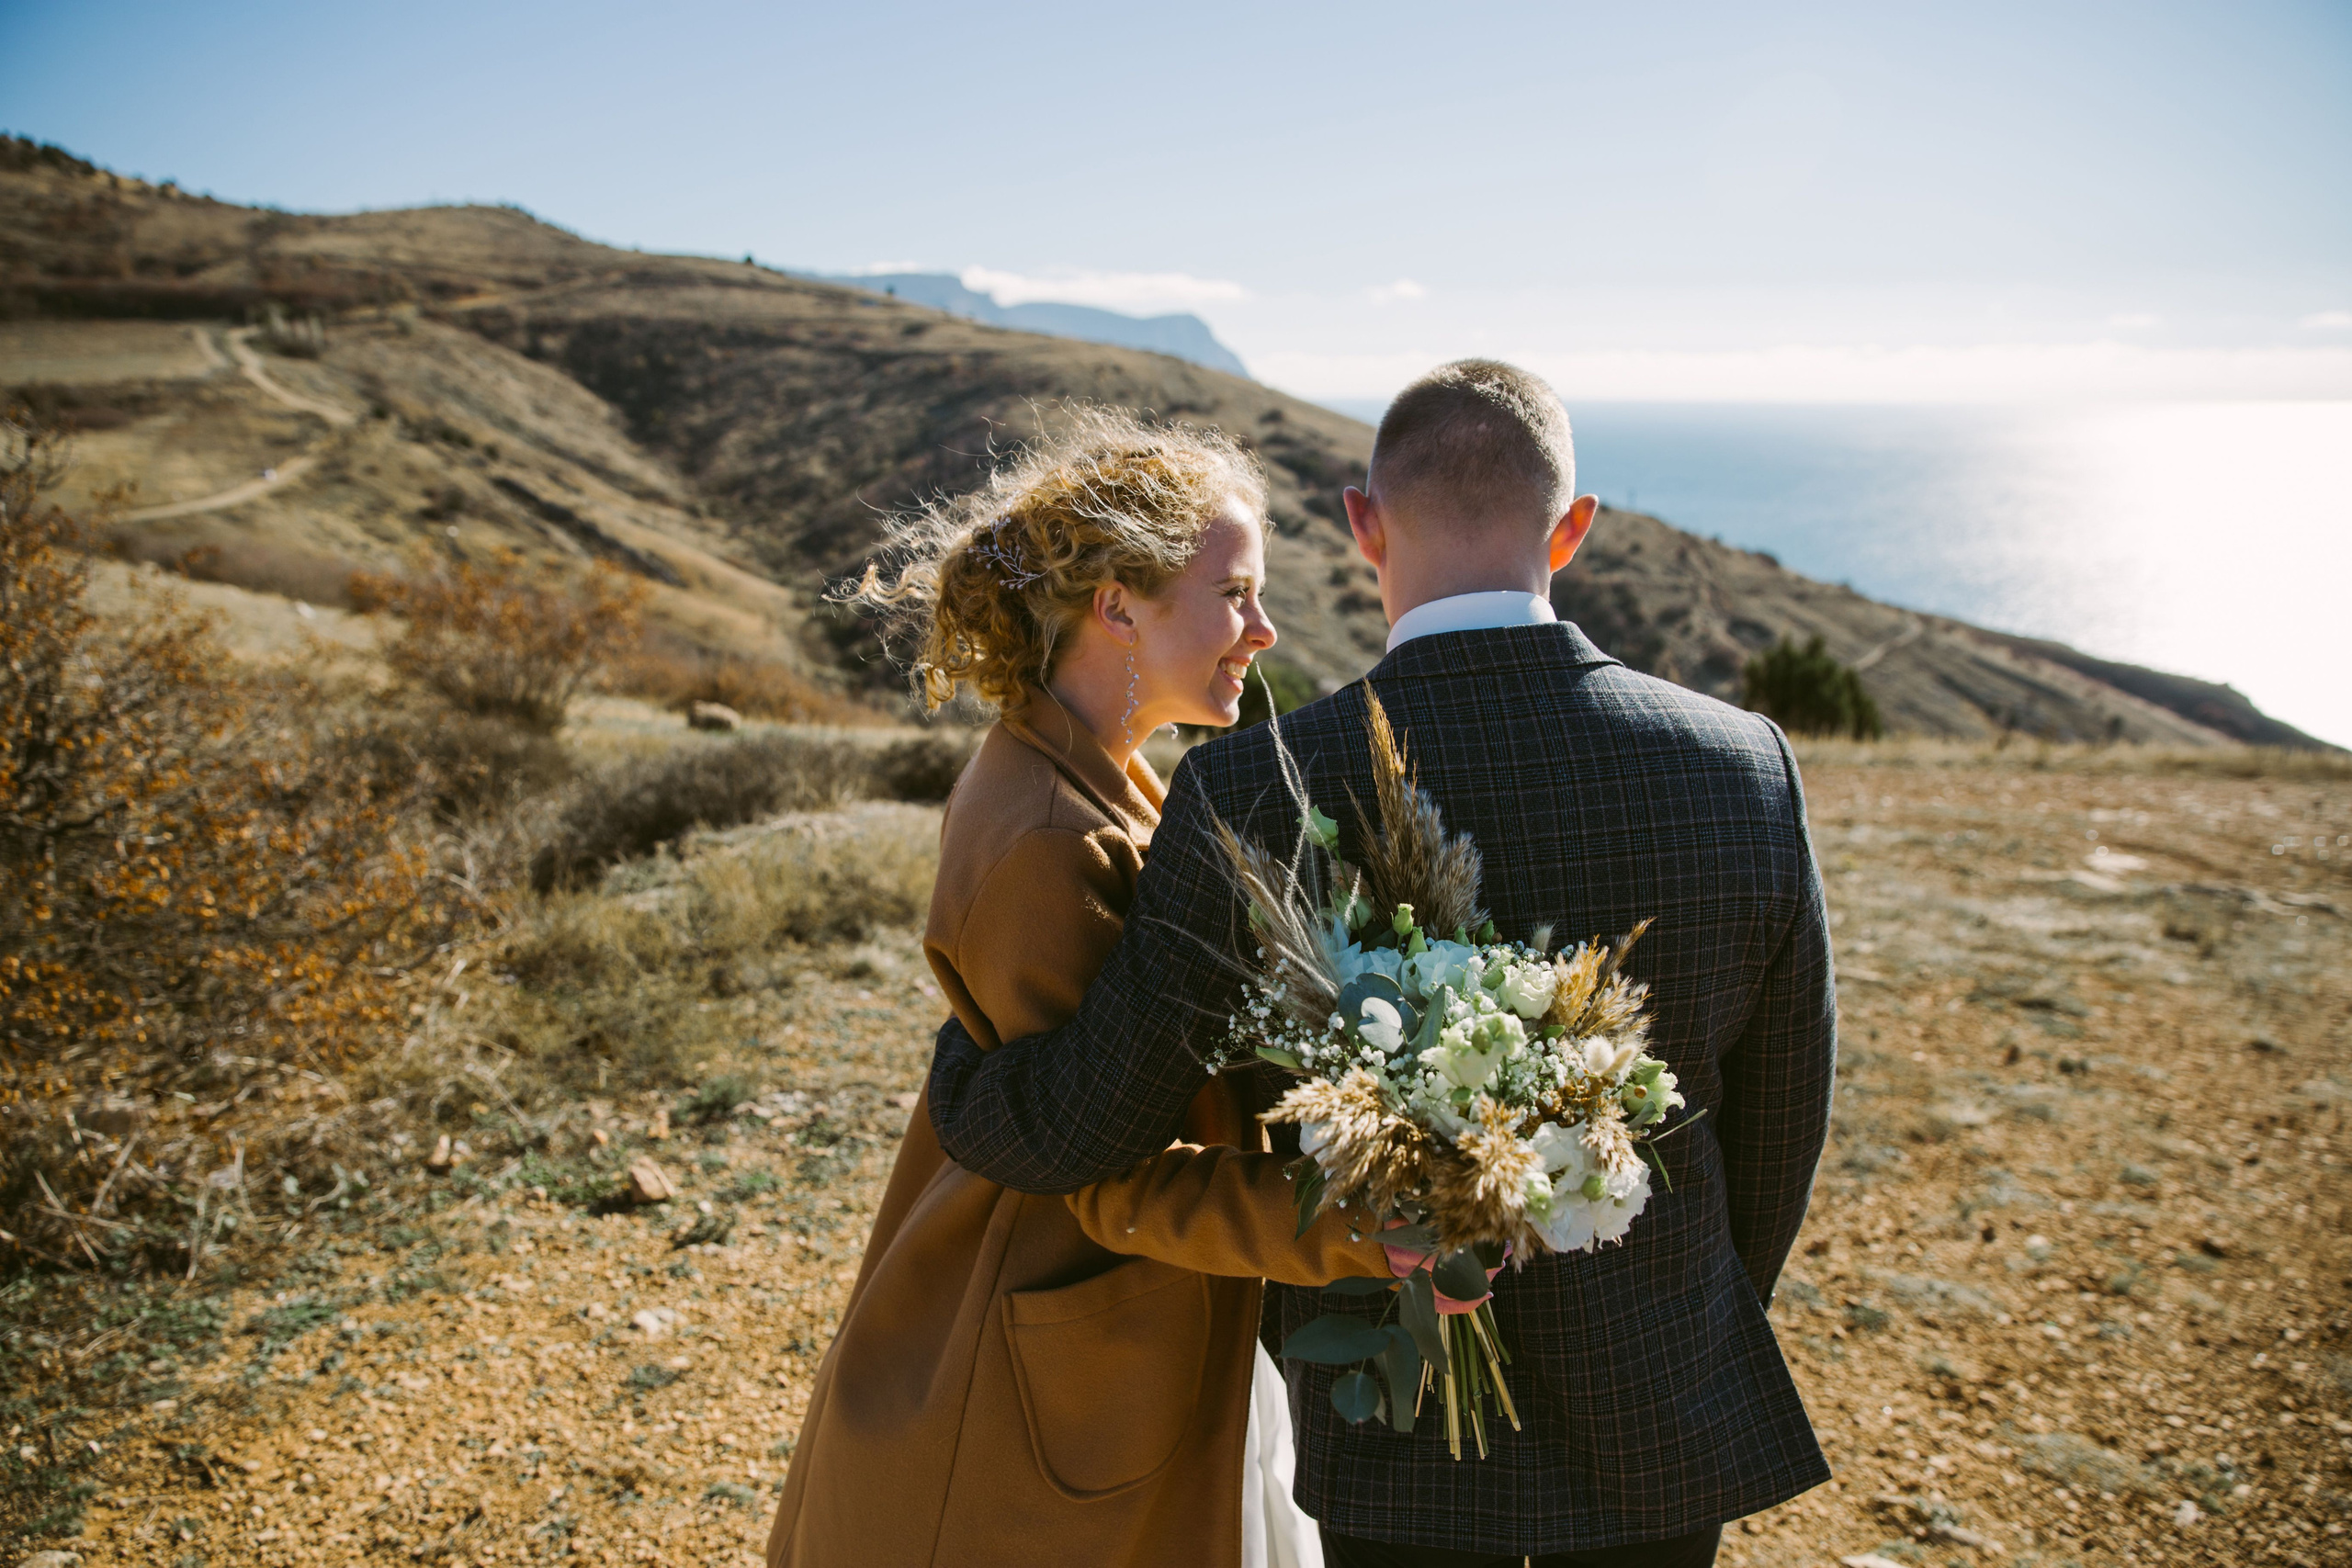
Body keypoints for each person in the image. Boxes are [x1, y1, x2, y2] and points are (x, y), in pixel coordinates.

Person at [926, 362, 1838, 1568]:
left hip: (1392, 1414)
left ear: (1363, 525)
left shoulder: (1252, 789)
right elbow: (1781, 1120)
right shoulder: (1744, 766)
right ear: (1571, 527)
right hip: (1659, 1393)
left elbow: (1092, 1120)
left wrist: (959, 1071)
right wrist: (1691, 1311)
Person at [765, 410, 1390, 1568]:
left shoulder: (1098, 771)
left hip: (1123, 1310)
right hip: (1044, 1333)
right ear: (1118, 606)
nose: (1262, 630)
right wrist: (1368, 1227)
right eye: (1234, 595)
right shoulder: (1051, 835)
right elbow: (1103, 1169)